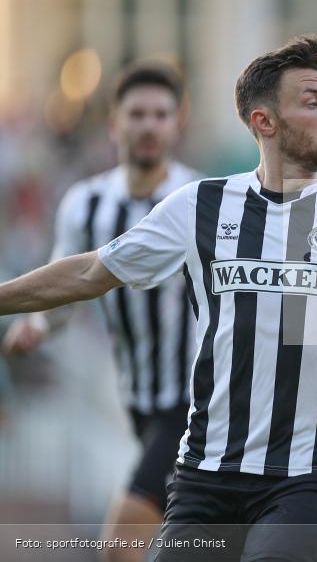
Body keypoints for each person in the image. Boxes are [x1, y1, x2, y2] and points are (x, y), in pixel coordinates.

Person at [0, 35, 317, 561]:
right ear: (263, 122)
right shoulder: (200, 205)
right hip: (206, 474)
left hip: (310, 479)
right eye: (313, 102)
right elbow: (89, 271)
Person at [2, 62, 200, 562]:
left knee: (121, 545)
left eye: (161, 114)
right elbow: (68, 286)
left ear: (178, 123)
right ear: (114, 123)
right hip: (138, 402)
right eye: (137, 114)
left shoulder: (203, 199)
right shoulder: (85, 204)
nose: (149, 125)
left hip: (199, 401)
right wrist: (38, 324)